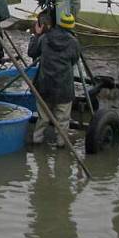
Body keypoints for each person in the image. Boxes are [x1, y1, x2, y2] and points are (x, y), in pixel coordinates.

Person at [28, 11, 81, 147]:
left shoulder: (45, 38)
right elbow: (74, 60)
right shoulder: (74, 43)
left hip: (44, 85)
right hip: (64, 87)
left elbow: (32, 53)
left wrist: (37, 34)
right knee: (63, 119)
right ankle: (61, 143)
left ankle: (37, 139)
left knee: (43, 117)